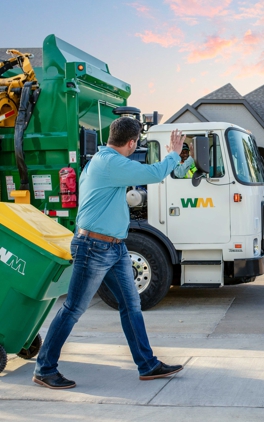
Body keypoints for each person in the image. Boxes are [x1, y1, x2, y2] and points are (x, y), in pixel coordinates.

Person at [33, 117, 185, 389]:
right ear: (131, 142)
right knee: (73, 309)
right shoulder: (111, 163)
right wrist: (173, 153)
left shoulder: (102, 160)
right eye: (136, 143)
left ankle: (147, 365)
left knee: (131, 305)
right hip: (94, 247)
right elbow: (153, 175)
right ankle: (44, 368)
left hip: (114, 248)